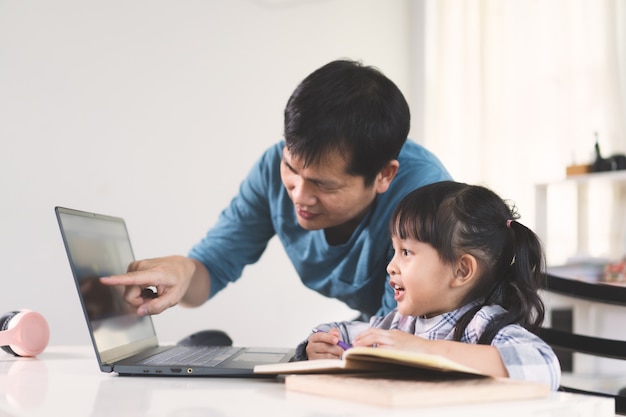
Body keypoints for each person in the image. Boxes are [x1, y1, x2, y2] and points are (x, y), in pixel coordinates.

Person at [100, 59, 451, 320]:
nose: (298, 194)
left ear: (383, 177)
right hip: (378, 330)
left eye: (323, 185)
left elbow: (405, 331)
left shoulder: (426, 196)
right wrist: (183, 271)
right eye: (292, 169)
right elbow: (211, 271)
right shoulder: (271, 169)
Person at [298, 181, 561, 390]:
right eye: (394, 250)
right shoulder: (401, 324)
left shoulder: (481, 326)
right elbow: (345, 332)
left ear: (461, 270)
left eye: (407, 252)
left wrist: (424, 350)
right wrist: (323, 343)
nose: (391, 266)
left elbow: (544, 364)